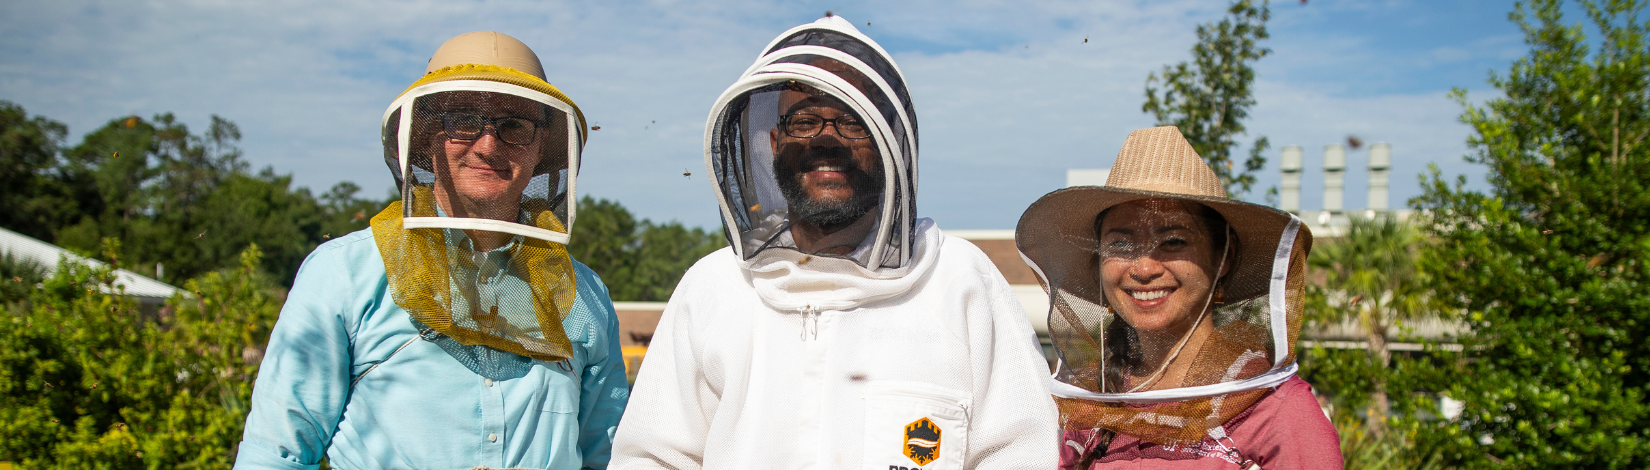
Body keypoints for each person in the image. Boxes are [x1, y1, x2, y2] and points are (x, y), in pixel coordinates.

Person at [610, 15, 1058, 470]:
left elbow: (1021, 452)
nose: (826, 138)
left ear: (889, 143)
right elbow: (652, 456)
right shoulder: (713, 288)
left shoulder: (960, 280)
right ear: (773, 141)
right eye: (803, 120)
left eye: (852, 121)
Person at [234, 31, 628, 469]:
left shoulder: (585, 294)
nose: (488, 145)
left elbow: (608, 455)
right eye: (463, 121)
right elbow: (278, 452)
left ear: (541, 148)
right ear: (423, 138)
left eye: (515, 126)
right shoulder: (345, 272)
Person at [1015, 126, 1342, 469]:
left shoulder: (1276, 410)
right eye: (1121, 245)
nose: (1143, 268)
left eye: (1173, 241)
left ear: (1222, 257)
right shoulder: (1090, 405)